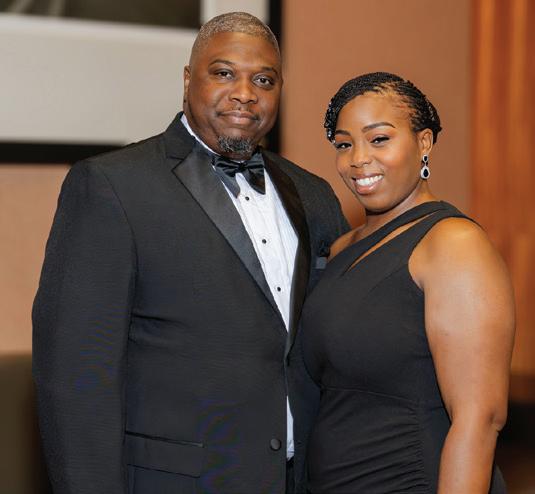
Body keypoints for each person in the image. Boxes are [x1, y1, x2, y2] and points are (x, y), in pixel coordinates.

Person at [32, 12, 348, 494]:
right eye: (224, 73)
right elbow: (77, 376)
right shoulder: (113, 186)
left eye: (263, 80)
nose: (245, 93)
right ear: (187, 79)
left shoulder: (314, 195)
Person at [301, 72, 515, 493]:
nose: (358, 159)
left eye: (379, 139)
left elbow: (479, 418)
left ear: (424, 142)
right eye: (344, 144)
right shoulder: (342, 248)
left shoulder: (453, 244)